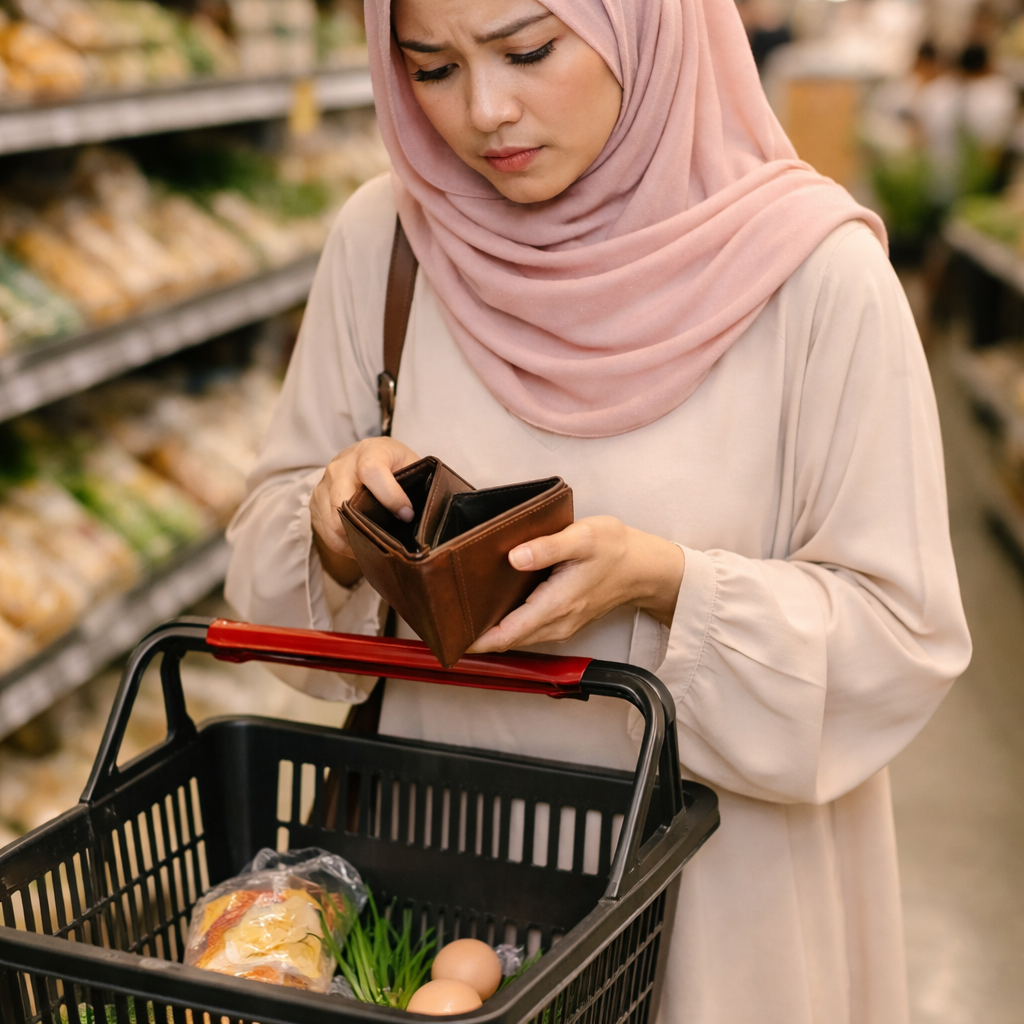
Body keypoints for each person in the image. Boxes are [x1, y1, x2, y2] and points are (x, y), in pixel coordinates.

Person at [225, 0, 972, 1020]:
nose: (485, 111)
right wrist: (335, 526)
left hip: (715, 891)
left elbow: (901, 637)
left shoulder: (817, 280)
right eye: (431, 68)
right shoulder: (390, 241)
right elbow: (267, 566)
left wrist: (670, 586)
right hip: (437, 875)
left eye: (529, 50)